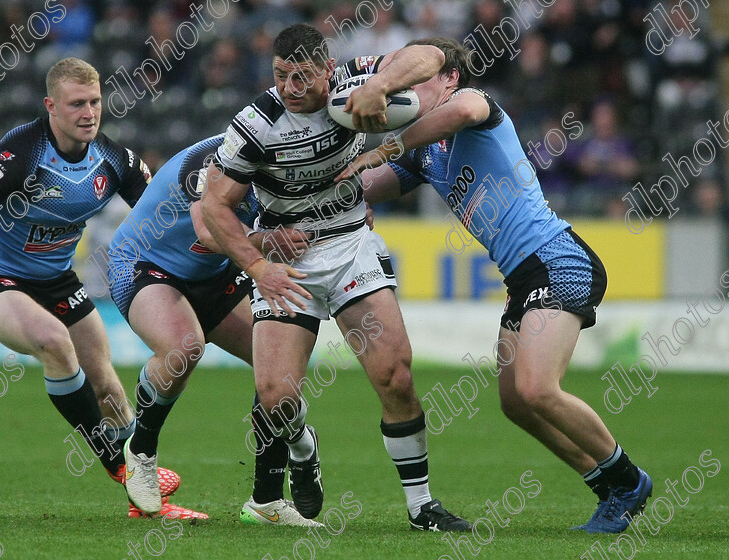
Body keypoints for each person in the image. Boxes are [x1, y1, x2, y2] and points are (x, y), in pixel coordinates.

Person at [337, 37, 652, 534]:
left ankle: (629, 479)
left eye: (422, 81)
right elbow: (359, 187)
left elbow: (463, 109)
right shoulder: (423, 154)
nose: (412, 91)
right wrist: (335, 180)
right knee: (515, 402)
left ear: (450, 78)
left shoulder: (477, 108)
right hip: (522, 277)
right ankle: (611, 488)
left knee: (537, 387)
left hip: (556, 258)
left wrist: (387, 147)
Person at [196, 23, 472, 532]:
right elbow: (214, 207)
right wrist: (258, 264)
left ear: (327, 71)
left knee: (396, 375)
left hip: (350, 246)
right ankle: (304, 447)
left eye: (303, 76)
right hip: (288, 264)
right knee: (276, 398)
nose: (291, 87)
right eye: (281, 75)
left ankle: (421, 507)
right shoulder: (254, 126)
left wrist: (380, 86)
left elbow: (430, 56)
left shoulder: (352, 84)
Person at [0, 57, 182, 517]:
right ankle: (120, 467)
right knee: (54, 342)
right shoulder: (20, 153)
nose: (89, 113)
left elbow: (167, 213)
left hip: (58, 279)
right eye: (76, 104)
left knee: (108, 385)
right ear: (51, 106)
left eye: (95, 102)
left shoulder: (115, 160)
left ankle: (146, 498)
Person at [110, 133, 321, 526]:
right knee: (183, 348)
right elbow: (209, 232)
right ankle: (140, 453)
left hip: (216, 271)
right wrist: (269, 241)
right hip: (144, 263)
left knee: (277, 371)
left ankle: (269, 499)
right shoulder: (213, 161)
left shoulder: (298, 159)